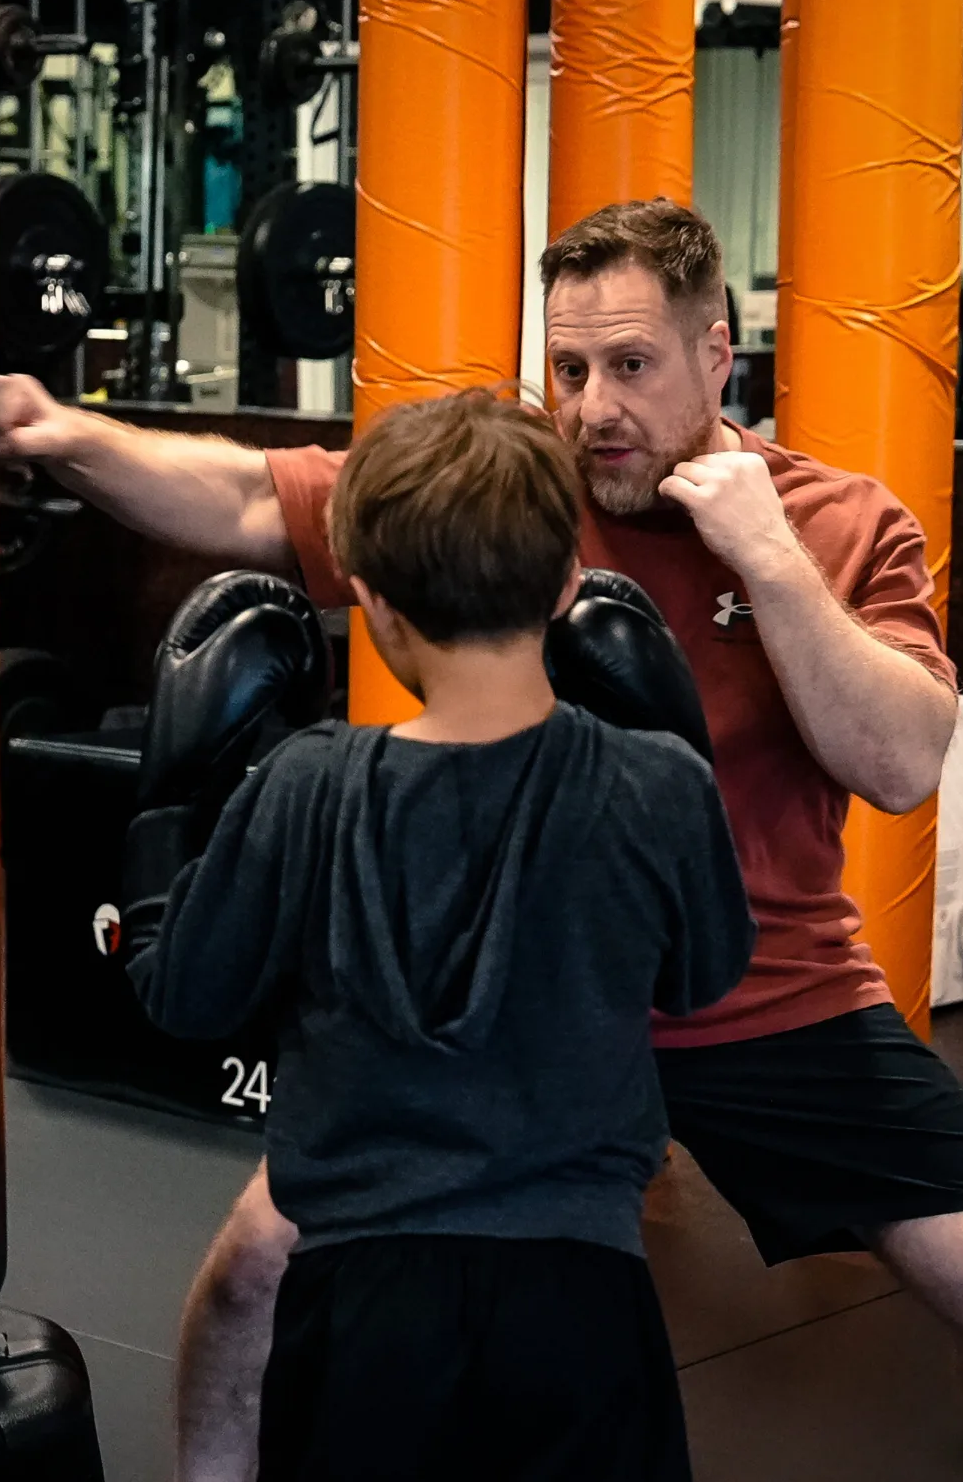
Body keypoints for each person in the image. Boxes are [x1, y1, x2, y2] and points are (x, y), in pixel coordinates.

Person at [0, 198, 963, 1482]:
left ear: (717, 355)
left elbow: (900, 764)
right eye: (569, 368)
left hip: (765, 988)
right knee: (245, 1281)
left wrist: (768, 559)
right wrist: (60, 432)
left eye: (631, 366)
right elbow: (244, 495)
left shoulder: (837, 521)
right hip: (527, 993)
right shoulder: (509, 499)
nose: (593, 405)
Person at [123, 389, 756, 1480]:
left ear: (371, 602)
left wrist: (166, 814)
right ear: (568, 582)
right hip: (587, 1308)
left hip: (365, 1307)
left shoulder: (307, 785)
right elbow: (708, 974)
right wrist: (682, 753)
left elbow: (180, 992)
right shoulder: (654, 785)